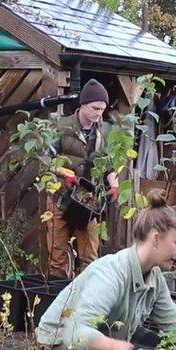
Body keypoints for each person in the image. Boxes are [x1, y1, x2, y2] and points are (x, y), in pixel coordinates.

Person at [37, 189, 176, 350]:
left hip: (109, 333)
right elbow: (77, 334)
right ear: (156, 239)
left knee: (161, 349)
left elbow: (174, 324)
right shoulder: (111, 273)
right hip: (61, 347)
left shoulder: (154, 278)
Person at [46, 79, 120, 278]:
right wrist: (64, 174)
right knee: (57, 256)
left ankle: (85, 302)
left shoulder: (103, 132)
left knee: (90, 258)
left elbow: (109, 166)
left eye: (102, 109)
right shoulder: (62, 127)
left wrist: (114, 185)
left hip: (88, 202)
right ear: (83, 104)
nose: (99, 113)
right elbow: (45, 159)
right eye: (95, 108)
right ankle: (56, 300)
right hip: (60, 197)